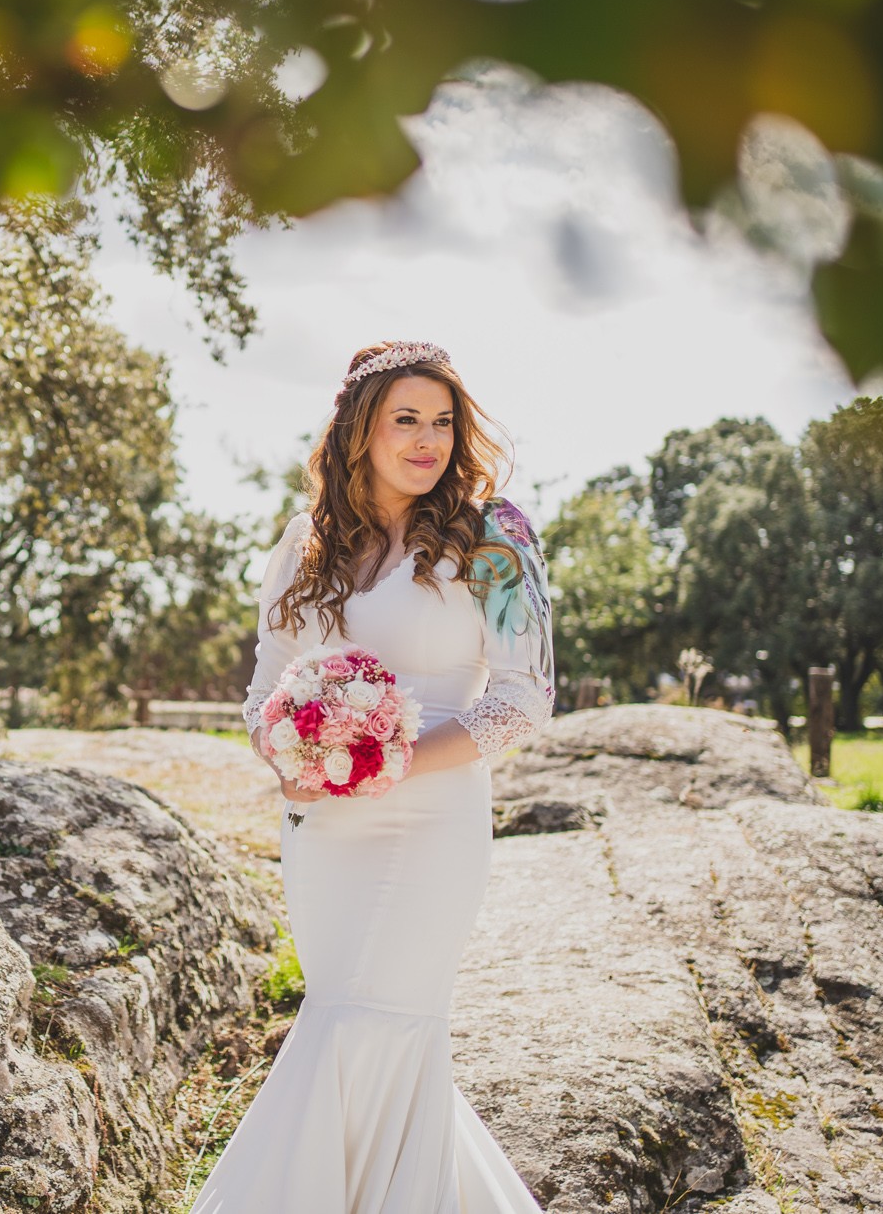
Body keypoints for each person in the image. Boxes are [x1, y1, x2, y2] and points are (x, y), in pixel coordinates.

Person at [189, 340, 553, 1214]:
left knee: (372, 1022)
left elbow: (524, 695)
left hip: (434, 823)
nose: (428, 440)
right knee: (343, 1016)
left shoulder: (494, 534)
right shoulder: (306, 542)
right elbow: (263, 690)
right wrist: (293, 764)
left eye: (442, 421)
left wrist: (389, 760)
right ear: (360, 431)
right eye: (406, 419)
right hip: (325, 835)